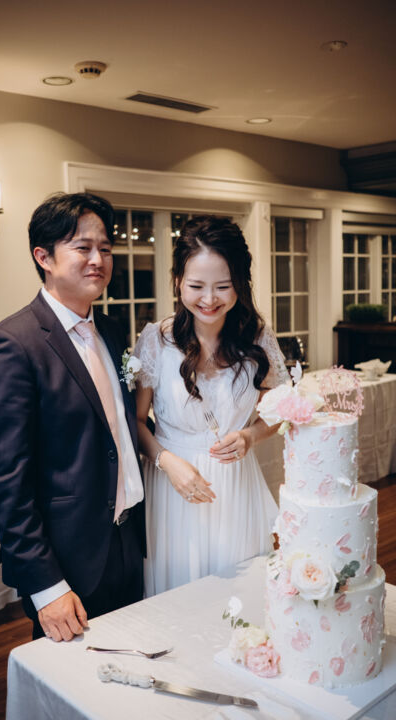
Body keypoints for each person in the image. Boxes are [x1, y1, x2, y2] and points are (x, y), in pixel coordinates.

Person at [0, 192, 145, 641]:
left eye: (105, 248)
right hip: (68, 558)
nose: (98, 260)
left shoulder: (110, 330)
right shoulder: (12, 344)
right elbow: (6, 481)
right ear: (44, 257)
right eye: (83, 248)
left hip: (129, 541)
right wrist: (46, 586)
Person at [135, 215, 288, 596]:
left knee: (241, 598)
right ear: (177, 282)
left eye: (223, 286)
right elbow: (135, 422)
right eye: (196, 286)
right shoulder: (155, 341)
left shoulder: (257, 339)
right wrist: (166, 462)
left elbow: (279, 411)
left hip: (236, 485)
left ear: (240, 283)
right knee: (179, 596)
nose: (209, 299)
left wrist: (250, 436)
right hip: (174, 488)